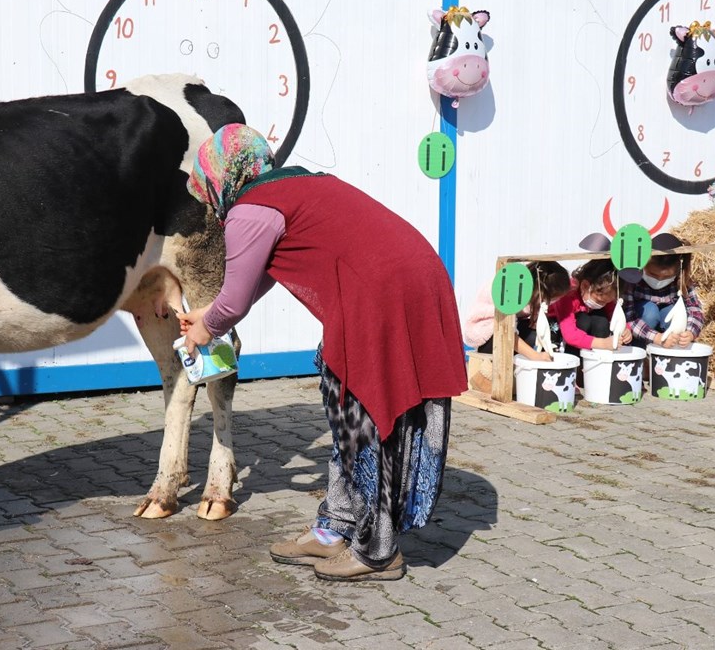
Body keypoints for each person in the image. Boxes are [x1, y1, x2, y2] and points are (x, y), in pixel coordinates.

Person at [178, 124, 467, 582]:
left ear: (220, 175)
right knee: (342, 402)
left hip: (384, 294)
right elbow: (253, 282)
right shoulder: (291, 187)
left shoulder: (250, 211)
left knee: (367, 417)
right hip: (404, 282)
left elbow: (233, 303)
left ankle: (378, 551)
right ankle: (336, 527)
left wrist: (205, 328)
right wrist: (210, 314)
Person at [462, 261, 570, 360]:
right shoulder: (512, 286)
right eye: (555, 298)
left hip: (507, 327)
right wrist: (536, 356)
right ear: (542, 292)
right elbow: (506, 331)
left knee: (541, 333)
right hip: (488, 333)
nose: (554, 302)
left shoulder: (532, 283)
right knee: (530, 340)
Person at [623, 241, 704, 349]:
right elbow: (629, 316)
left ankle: (670, 350)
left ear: (677, 271)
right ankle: (641, 351)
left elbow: (694, 309)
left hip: (664, 320)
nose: (659, 279)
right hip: (642, 325)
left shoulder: (682, 279)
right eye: (653, 274)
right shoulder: (633, 279)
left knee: (673, 314)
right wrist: (657, 338)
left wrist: (690, 332)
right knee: (650, 312)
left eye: (667, 276)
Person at [550, 258, 632, 354]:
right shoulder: (568, 295)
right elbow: (570, 335)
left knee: (600, 321)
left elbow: (614, 313)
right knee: (584, 321)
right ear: (585, 285)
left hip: (584, 326)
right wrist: (603, 344)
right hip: (557, 327)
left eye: (606, 302)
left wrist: (625, 329)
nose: (602, 305)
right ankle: (577, 363)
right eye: (600, 301)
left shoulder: (605, 292)